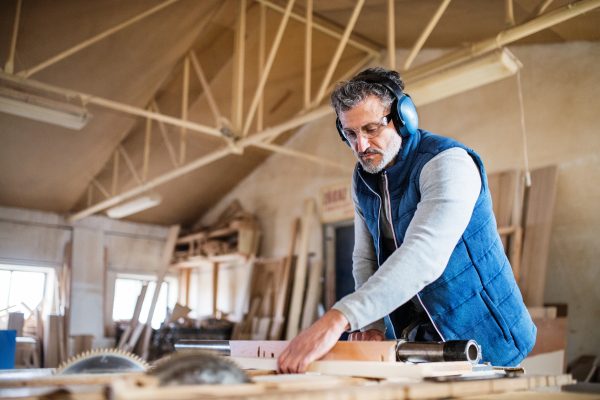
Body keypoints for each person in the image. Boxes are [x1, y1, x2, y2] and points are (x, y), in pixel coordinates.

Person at [277, 67, 536, 374]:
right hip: (423, 340)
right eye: (350, 133)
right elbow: (365, 257)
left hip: (489, 338)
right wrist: (370, 323)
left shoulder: (448, 164)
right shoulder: (364, 180)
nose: (360, 146)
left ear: (404, 118)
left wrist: (340, 317)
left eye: (371, 129)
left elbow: (423, 256)